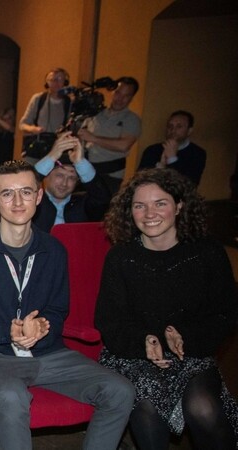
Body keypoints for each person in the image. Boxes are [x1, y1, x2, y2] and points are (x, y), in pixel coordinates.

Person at [0, 160, 135, 450]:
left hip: (49, 353)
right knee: (12, 397)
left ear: (38, 196)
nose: (18, 201)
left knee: (120, 390)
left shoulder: (54, 250)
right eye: (7, 194)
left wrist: (44, 325)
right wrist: (7, 331)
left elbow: (59, 309)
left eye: (26, 191)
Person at [95, 168, 238, 449]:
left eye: (160, 203)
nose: (150, 213)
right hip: (132, 357)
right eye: (140, 205)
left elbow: (225, 315)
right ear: (130, 212)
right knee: (148, 408)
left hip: (191, 353)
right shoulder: (121, 257)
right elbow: (110, 321)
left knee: (203, 408)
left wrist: (184, 336)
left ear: (179, 206)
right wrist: (144, 341)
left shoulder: (207, 252)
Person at [32, 132, 111, 231]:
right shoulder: (34, 201)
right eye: (59, 175)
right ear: (46, 176)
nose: (64, 183)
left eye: (71, 178)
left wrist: (81, 163)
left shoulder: (82, 204)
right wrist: (51, 157)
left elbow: (102, 197)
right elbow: (23, 184)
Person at [78, 76, 143, 195]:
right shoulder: (96, 113)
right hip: (84, 171)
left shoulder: (131, 119)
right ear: (112, 92)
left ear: (131, 98)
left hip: (109, 176)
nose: (120, 98)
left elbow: (123, 145)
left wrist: (93, 138)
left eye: (126, 95)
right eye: (118, 93)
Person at [138, 110, 206, 186]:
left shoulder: (197, 153)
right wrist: (160, 166)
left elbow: (190, 185)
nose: (173, 130)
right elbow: (140, 180)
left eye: (179, 126)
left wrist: (172, 159)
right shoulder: (152, 150)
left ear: (189, 131)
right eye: (170, 126)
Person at [19, 68, 72, 162]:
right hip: (36, 147)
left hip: (56, 148)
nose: (56, 82)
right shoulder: (38, 98)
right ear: (47, 83)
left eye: (59, 79)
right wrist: (33, 129)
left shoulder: (69, 102)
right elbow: (22, 124)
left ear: (65, 82)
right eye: (52, 79)